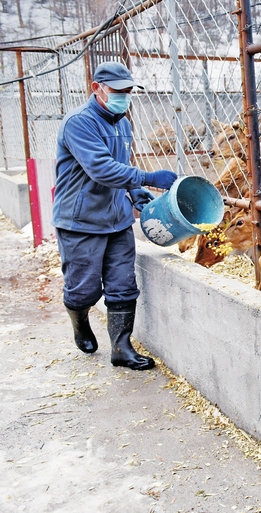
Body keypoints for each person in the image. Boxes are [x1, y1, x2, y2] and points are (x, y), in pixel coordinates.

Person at [52, 61, 178, 371]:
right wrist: (147, 177)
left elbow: (120, 165)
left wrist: (134, 192)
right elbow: (101, 168)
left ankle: (121, 347)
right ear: (97, 88)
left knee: (123, 284)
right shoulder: (78, 123)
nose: (125, 96)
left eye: (129, 91)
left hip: (117, 219)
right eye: (118, 91)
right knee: (84, 289)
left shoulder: (122, 123)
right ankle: (79, 321)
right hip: (80, 221)